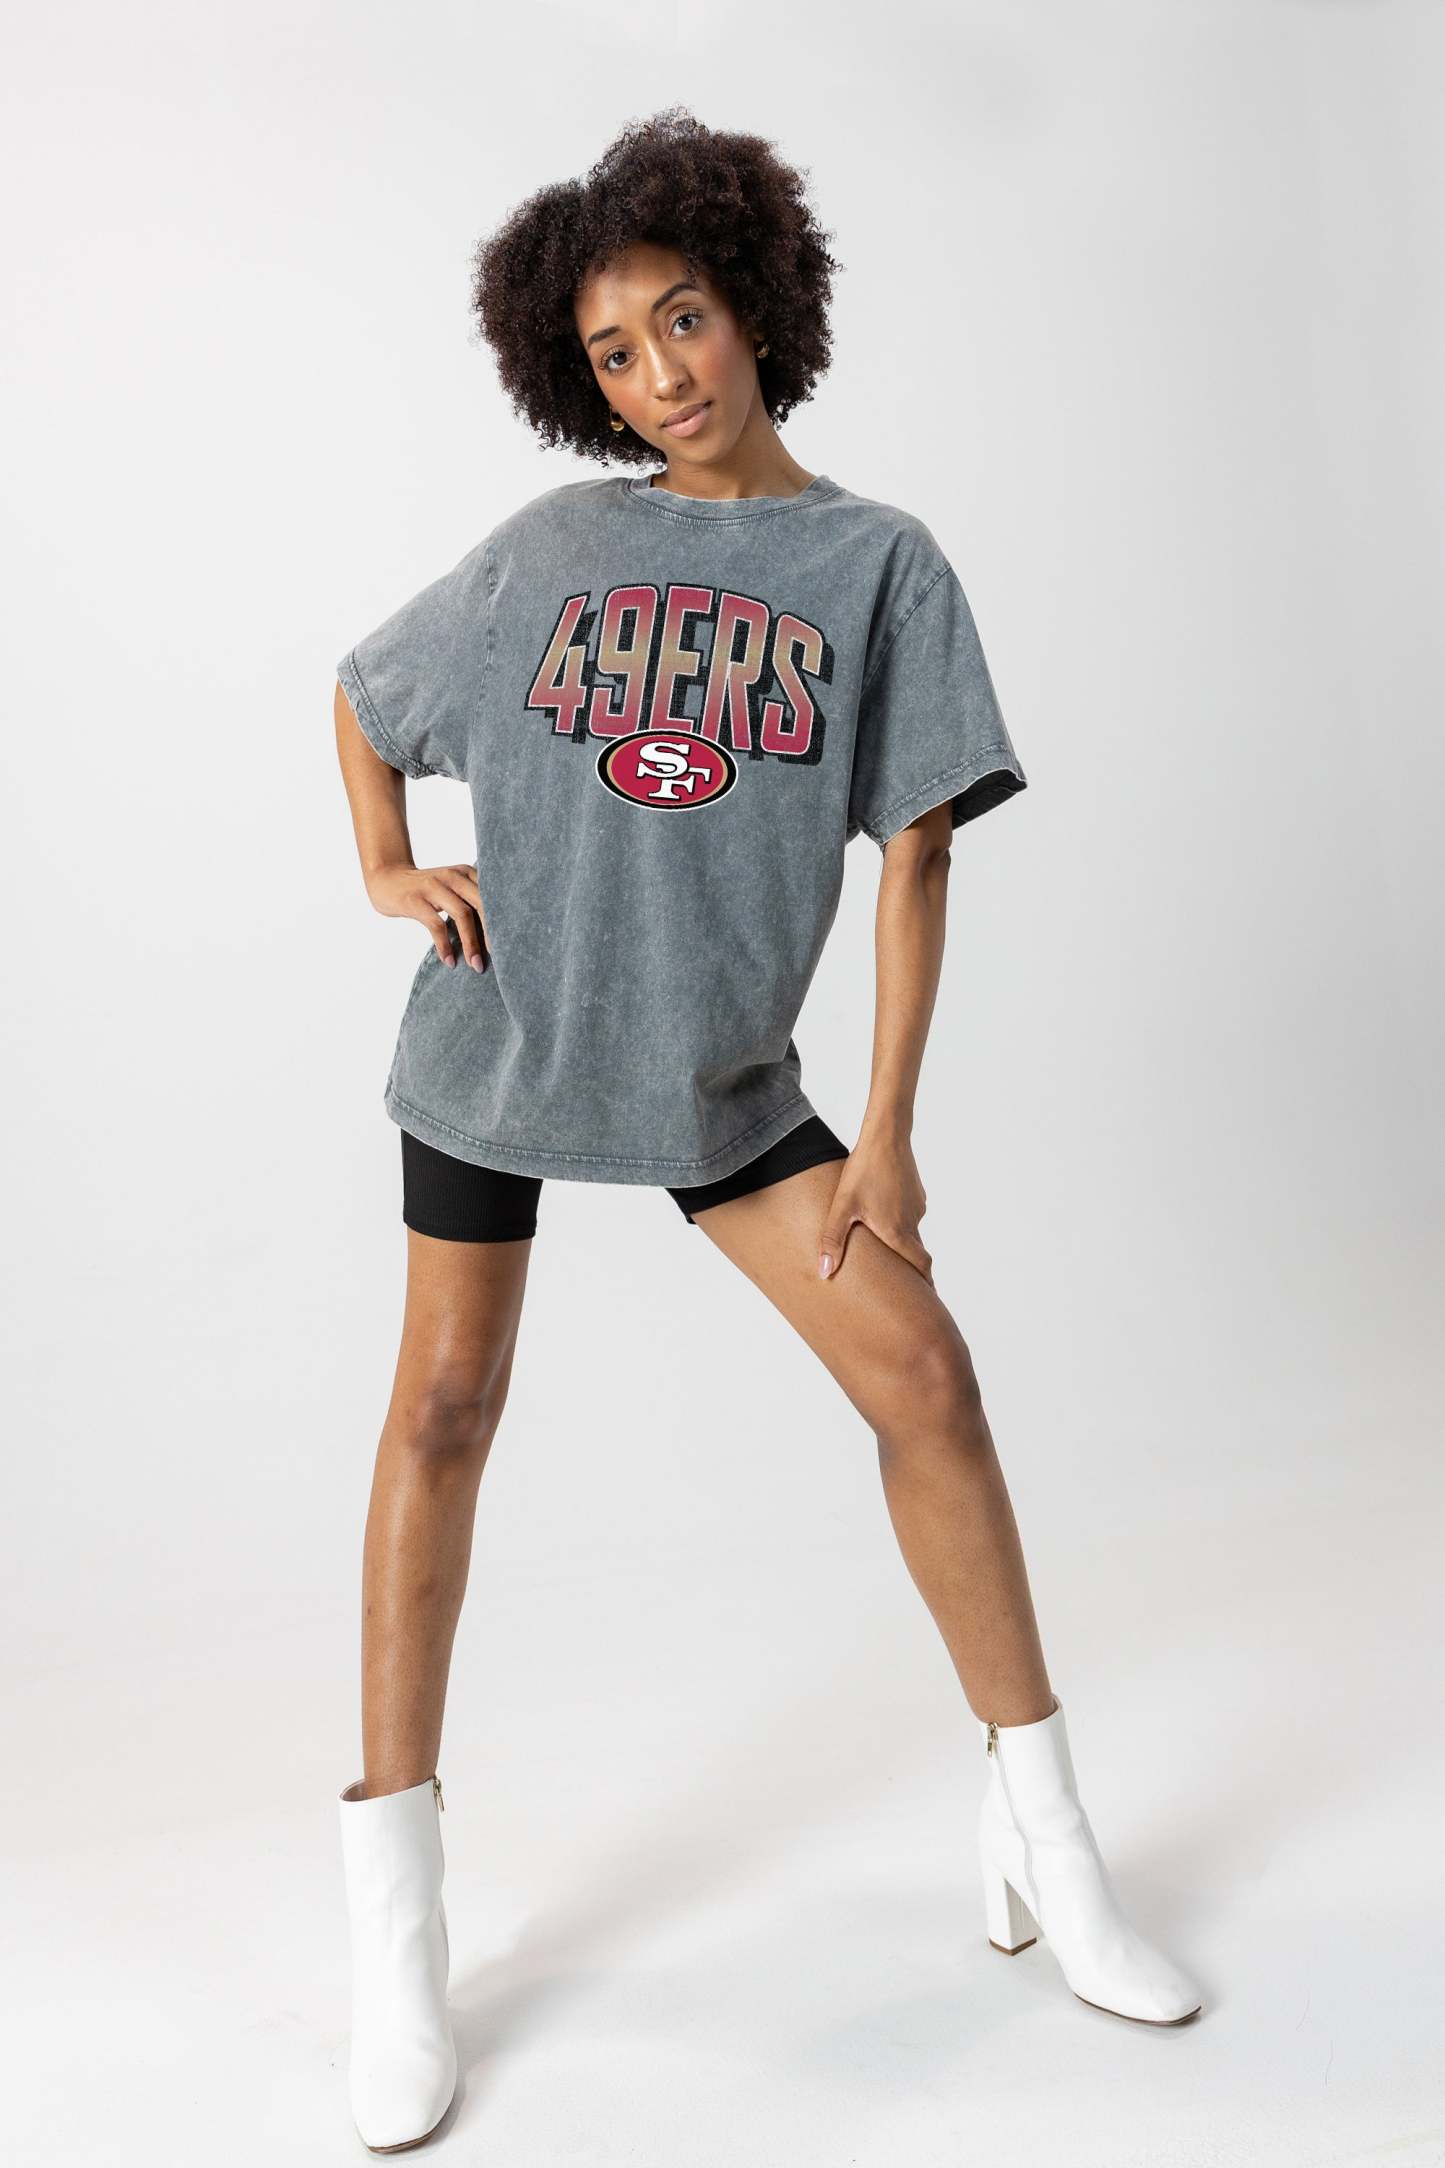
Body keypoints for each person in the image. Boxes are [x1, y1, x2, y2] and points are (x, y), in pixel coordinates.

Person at [331, 106, 1202, 2155]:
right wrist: (387, 866)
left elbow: (918, 858)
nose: (661, 373)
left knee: (927, 1379)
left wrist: (884, 1133)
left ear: (754, 303)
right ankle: (396, 1925)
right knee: (441, 1410)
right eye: (613, 352)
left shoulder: (876, 565)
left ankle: (1045, 1837)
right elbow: (367, 697)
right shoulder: (550, 552)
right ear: (578, 381)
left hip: (719, 1078)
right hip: (500, 1044)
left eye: (683, 319)